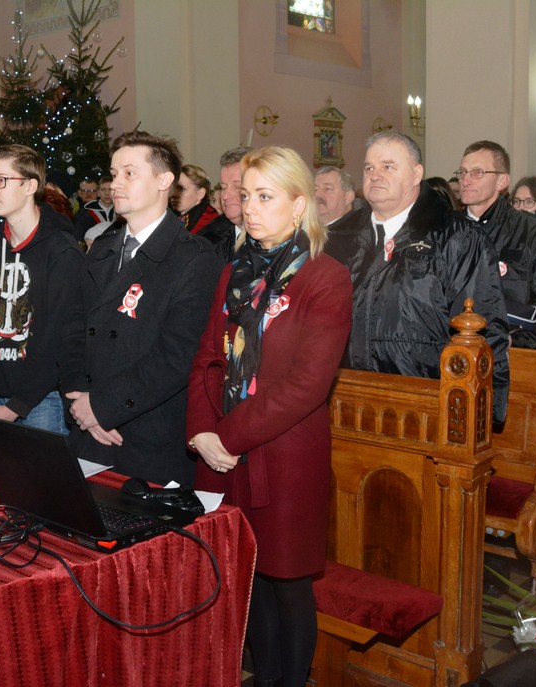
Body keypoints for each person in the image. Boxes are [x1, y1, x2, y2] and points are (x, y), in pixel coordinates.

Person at [186, 146, 351, 687]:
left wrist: (227, 435)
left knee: (286, 582)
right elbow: (209, 357)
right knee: (245, 579)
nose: (247, 207)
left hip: (283, 453)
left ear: (299, 203)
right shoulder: (235, 270)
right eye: (243, 195)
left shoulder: (324, 278)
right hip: (224, 452)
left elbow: (307, 383)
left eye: (263, 196)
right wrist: (202, 432)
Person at [68, 130, 222, 487]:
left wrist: (104, 407)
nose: (115, 183)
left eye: (129, 173)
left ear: (164, 181)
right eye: (114, 173)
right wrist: (78, 401)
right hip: (88, 427)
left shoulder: (193, 258)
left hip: (146, 435)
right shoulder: (103, 248)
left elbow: (176, 357)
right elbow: (73, 328)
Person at [346, 131, 509, 422]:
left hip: (426, 399)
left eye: (388, 166)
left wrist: (481, 412)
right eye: (369, 167)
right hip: (349, 396)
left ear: (416, 174)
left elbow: (481, 328)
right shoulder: (340, 237)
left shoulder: (456, 237)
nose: (375, 175)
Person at [0, 144, 87, 433]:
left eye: (1, 181)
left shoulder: (61, 251)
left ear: (31, 185)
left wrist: (17, 406)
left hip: (41, 401)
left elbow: (60, 337)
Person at [459, 142, 536, 351]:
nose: (466, 179)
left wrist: (516, 342)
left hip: (511, 355)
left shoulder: (532, 231)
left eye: (477, 172)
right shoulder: (445, 229)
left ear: (502, 180)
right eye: (463, 172)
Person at [197, 146, 250, 263]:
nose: (225, 196)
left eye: (237, 187)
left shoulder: (278, 238)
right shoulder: (207, 239)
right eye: (223, 188)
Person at [174, 164, 220, 234]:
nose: (174, 194)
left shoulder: (210, 221)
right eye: (173, 188)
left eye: (182, 189)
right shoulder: (167, 214)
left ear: (200, 194)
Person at [73, 175, 115, 239]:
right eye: (103, 190)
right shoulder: (86, 212)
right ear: (98, 193)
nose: (107, 193)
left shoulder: (120, 212)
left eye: (110, 189)